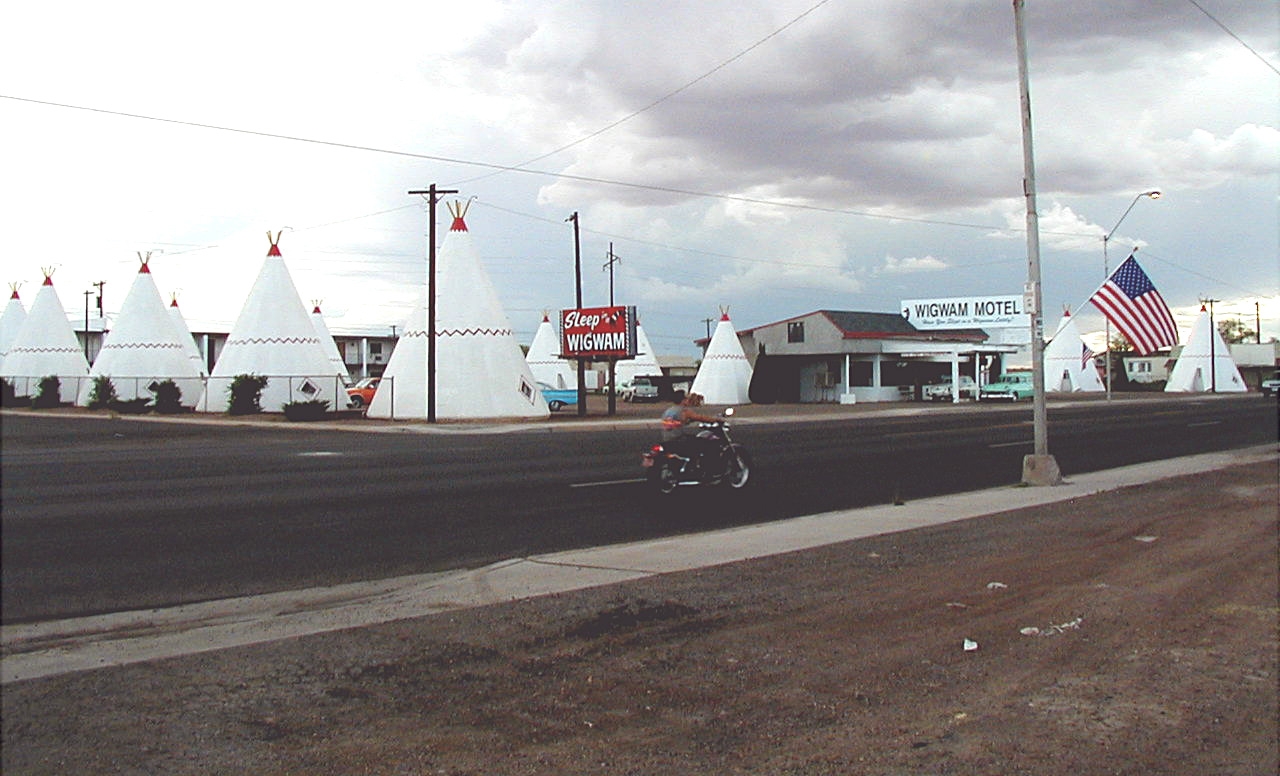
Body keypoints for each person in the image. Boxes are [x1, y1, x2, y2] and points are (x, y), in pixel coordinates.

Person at [659, 392, 724, 473]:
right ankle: (708, 470)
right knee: (709, 444)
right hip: (679, 439)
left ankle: (694, 463)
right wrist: (715, 419)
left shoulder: (668, 411)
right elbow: (700, 417)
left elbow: (681, 421)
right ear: (683, 400)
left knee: (695, 443)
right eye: (686, 398)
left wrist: (689, 420)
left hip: (667, 439)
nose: (687, 400)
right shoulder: (684, 411)